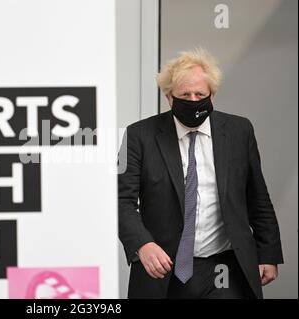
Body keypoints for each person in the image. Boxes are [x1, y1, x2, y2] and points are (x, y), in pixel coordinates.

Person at [118, 48, 283, 299]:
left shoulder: (239, 131)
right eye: (185, 94)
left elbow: (257, 197)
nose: (193, 100)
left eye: (200, 94)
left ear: (212, 96)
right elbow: (120, 201)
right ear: (169, 97)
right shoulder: (139, 136)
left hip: (226, 266)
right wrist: (142, 245)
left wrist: (268, 253)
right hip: (165, 268)